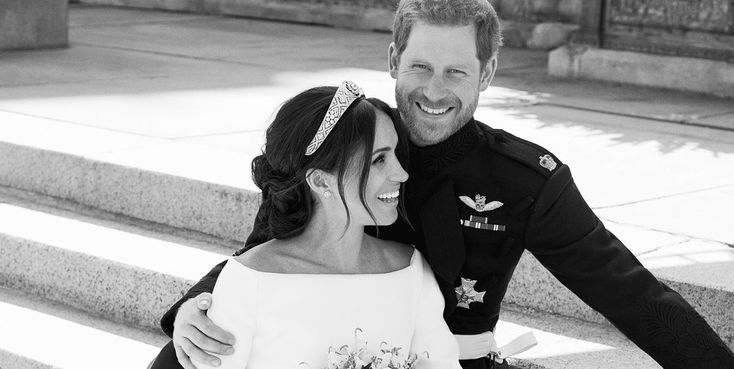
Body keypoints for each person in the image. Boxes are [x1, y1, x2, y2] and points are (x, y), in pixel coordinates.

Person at [159, 1, 734, 368]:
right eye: (420, 67)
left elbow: (632, 295)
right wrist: (192, 310)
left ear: (486, 73)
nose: (435, 90)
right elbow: (275, 246)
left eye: (457, 71)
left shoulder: (525, 179)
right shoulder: (348, 148)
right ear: (392, 59)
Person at [148, 82, 461, 369]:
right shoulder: (250, 280)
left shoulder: (410, 271)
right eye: (379, 160)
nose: (402, 174)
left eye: (394, 154)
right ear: (320, 180)